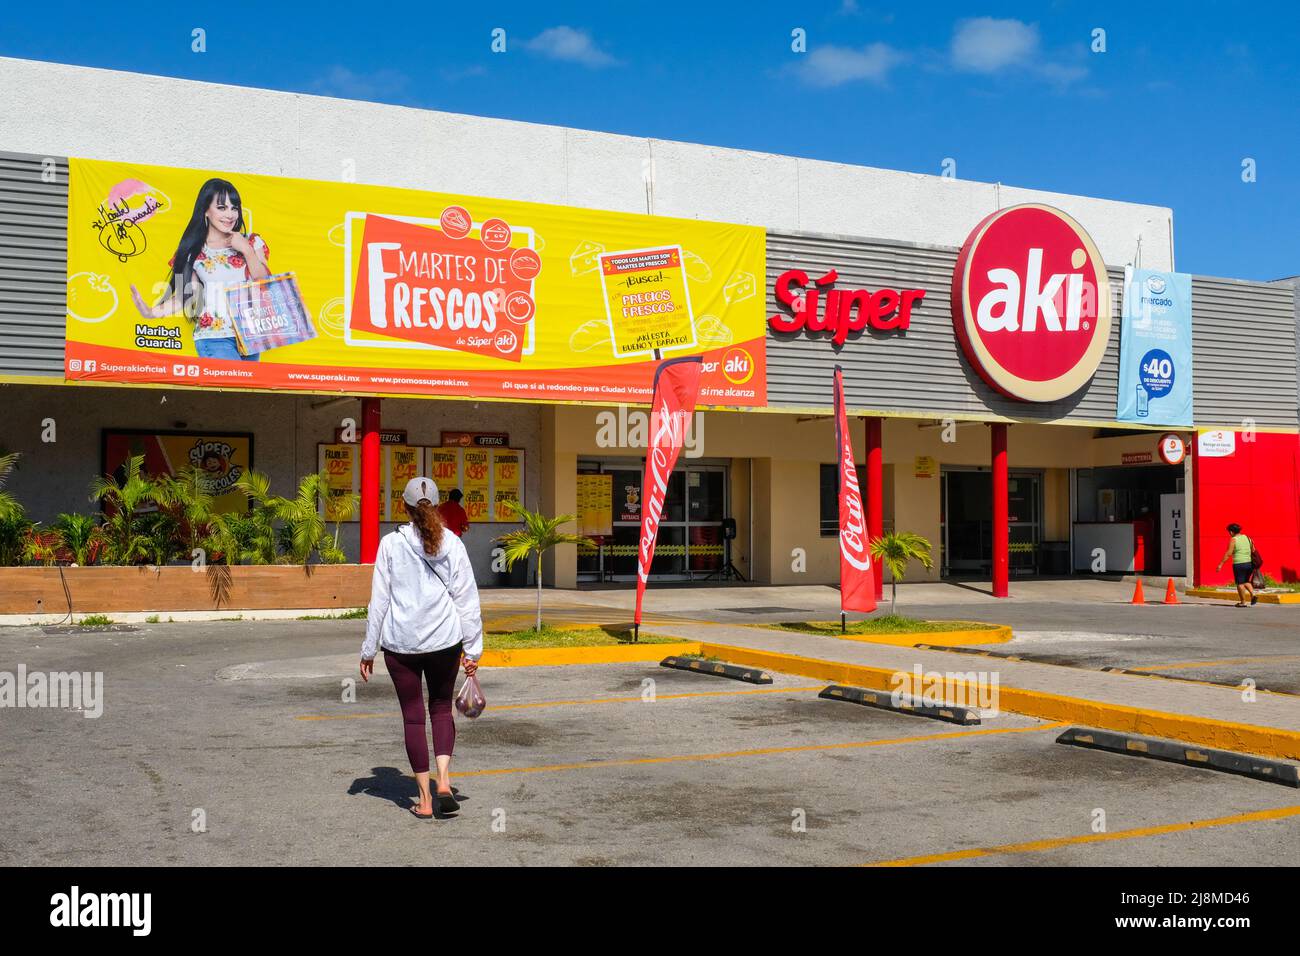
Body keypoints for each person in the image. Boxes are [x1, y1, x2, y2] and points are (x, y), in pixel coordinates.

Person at [360, 476, 483, 819]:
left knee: (413, 718)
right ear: (438, 506)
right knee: (441, 708)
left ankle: (425, 801)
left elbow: (379, 602)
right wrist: (473, 650)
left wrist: (368, 649)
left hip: (402, 645)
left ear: (404, 507)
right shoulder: (453, 544)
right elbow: (467, 600)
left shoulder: (390, 544)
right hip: (445, 641)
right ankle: (443, 781)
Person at [130, 178, 271, 361]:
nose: (230, 215)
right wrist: (150, 312)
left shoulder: (251, 241)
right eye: (221, 208)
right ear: (205, 210)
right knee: (232, 388)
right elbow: (185, 298)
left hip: (250, 338)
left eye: (234, 208)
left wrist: (246, 250)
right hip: (214, 338)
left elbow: (265, 283)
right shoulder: (195, 251)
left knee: (246, 390)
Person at [1215, 522, 1257, 607]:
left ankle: (1243, 602)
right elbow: (1253, 549)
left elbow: (1228, 553)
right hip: (1249, 563)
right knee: (1246, 581)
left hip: (1239, 564)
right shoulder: (1247, 538)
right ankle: (1253, 594)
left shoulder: (1234, 539)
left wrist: (1221, 564)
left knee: (1240, 583)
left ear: (1231, 532)